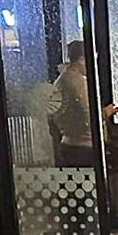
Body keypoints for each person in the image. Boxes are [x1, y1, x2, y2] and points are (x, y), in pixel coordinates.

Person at [47, 40, 93, 168]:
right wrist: (105, 113)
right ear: (81, 59)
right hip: (83, 147)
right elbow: (87, 115)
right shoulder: (77, 82)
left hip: (68, 144)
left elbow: (52, 115)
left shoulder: (62, 79)